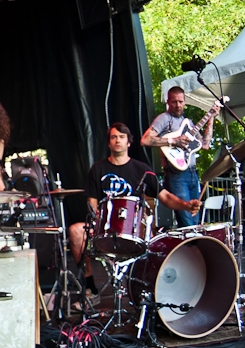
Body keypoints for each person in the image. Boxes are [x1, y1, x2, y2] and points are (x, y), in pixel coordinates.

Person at [69, 123, 202, 281]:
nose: (118, 140)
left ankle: (146, 289)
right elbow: (92, 201)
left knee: (154, 240)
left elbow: (165, 196)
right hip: (104, 226)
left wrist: (186, 205)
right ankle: (90, 287)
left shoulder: (142, 169)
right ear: (108, 143)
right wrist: (95, 220)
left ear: (128, 142)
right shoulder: (98, 169)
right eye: (114, 137)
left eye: (122, 137)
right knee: (75, 232)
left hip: (134, 228)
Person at [140, 86, 214, 227]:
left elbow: (204, 144)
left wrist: (211, 120)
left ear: (185, 102)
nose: (178, 105)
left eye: (181, 101)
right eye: (174, 102)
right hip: (176, 175)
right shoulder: (163, 119)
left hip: (192, 173)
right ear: (168, 102)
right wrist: (173, 141)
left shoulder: (188, 122)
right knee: (187, 221)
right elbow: (145, 140)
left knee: (195, 218)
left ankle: (195, 248)